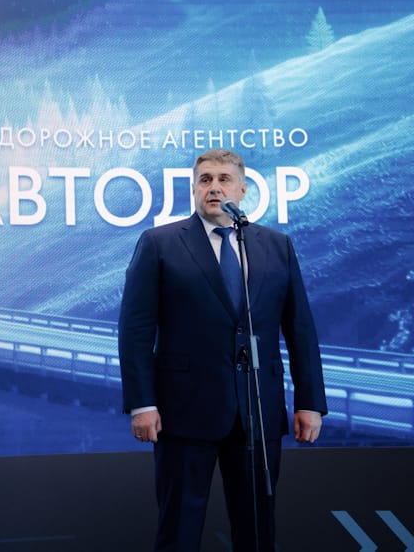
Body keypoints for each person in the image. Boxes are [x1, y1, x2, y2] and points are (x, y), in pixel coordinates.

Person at [118, 148, 327, 551]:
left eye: (224, 179)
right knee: (179, 530)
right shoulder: (160, 243)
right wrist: (142, 403)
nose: (214, 187)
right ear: (194, 189)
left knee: (257, 531)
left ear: (242, 189)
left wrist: (310, 402)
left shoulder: (276, 246)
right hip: (183, 412)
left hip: (258, 412)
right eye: (205, 180)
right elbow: (135, 329)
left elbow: (300, 329)